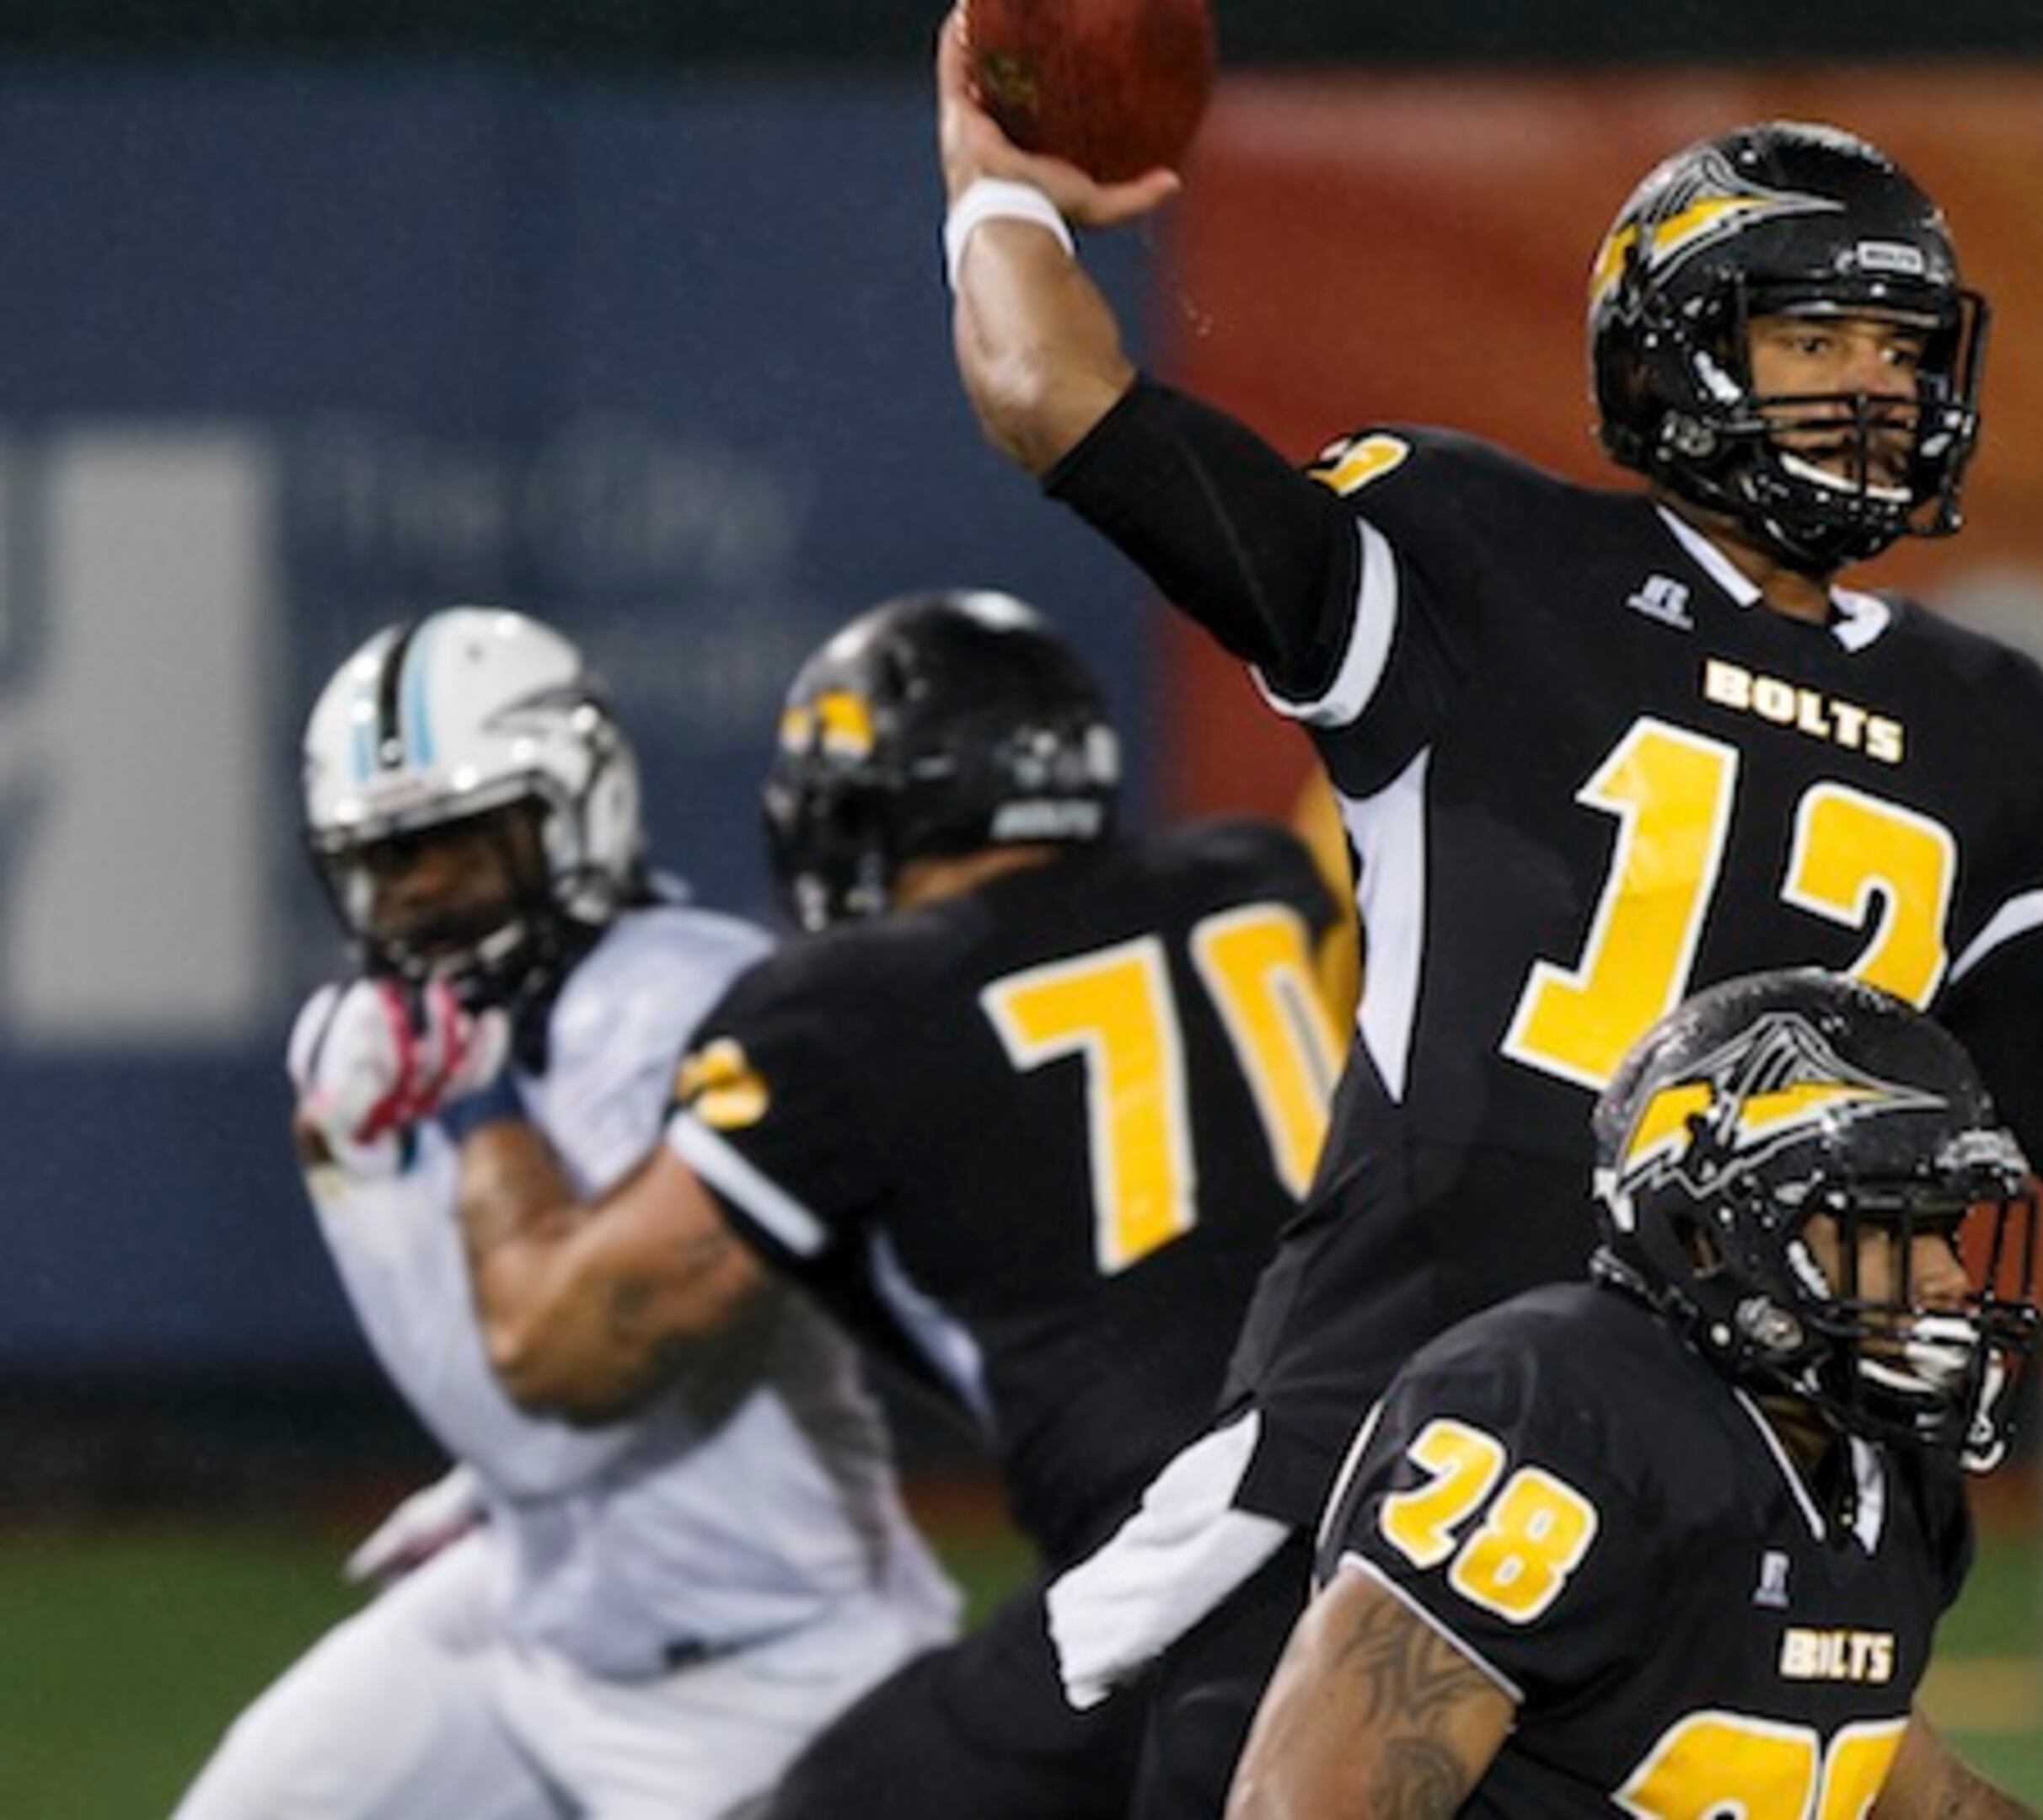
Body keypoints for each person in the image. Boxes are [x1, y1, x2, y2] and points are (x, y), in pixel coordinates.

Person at [932, 18, 2043, 1803]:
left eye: (1901, 345)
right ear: (1676, 350)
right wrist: (999, 194)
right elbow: (1058, 402)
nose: (1872, 387)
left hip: (1740, 1485)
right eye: (1813, 338)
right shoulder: (1474, 561)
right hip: (1397, 1438)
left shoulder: (1985, 730)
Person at [413, 591, 1346, 1817]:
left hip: (1188, 1576)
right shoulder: (1260, 876)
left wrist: (478, 1101)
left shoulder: (844, 1007)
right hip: (1437, 1497)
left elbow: (567, 1346)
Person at [180, 607, 957, 1818]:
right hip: (531, 1622)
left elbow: (561, 1421)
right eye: (385, 861)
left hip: (780, 1669)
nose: (421, 895)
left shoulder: (691, 1005)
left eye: (460, 845)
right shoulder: (364, 1042)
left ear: (573, 813)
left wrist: (447, 1136)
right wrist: (492, 1491)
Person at [1229, 968, 2043, 1818]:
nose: (1947, 1277)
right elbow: (1303, 1806)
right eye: (1886, 1229)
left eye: (1945, 1229)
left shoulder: (1875, 1475)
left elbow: (1867, 1768)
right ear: (1712, 1235)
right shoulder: (1563, 1417)